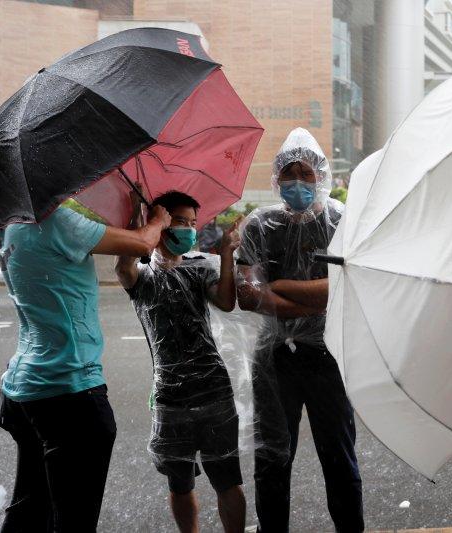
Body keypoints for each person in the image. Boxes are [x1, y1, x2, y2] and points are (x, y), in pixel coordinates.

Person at [0, 201, 171, 532]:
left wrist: (133, 222)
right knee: (74, 520)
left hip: (25, 388)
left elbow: (125, 248)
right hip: (70, 391)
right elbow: (143, 244)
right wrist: (159, 220)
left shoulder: (14, 226)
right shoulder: (58, 221)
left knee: (31, 510)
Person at [235, 128, 363, 533]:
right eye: (289, 173)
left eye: (305, 173)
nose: (297, 182)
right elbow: (247, 297)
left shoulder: (340, 221)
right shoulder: (260, 225)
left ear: (319, 176)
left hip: (328, 355)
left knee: (338, 455)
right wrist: (313, 296)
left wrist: (281, 287)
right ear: (276, 178)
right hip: (274, 361)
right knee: (272, 456)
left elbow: (345, 289)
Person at [115, 190, 246, 533]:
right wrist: (137, 223)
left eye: (193, 223)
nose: (189, 229)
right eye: (180, 221)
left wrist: (228, 252)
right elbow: (123, 267)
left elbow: (227, 301)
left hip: (213, 392)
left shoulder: (199, 267)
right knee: (180, 483)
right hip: (170, 400)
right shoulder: (142, 275)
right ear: (161, 223)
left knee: (227, 479)